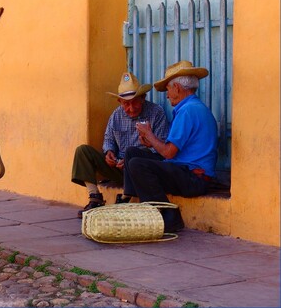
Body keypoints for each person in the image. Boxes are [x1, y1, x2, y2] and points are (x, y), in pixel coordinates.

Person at [124, 60, 218, 232]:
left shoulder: (188, 111)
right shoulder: (191, 108)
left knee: (137, 164)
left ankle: (170, 216)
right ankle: (132, 200)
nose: (167, 95)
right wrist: (149, 140)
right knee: (132, 153)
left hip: (194, 178)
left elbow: (168, 153)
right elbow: (172, 152)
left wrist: (150, 135)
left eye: (167, 89)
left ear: (177, 88)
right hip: (184, 170)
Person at [71, 72, 169, 218]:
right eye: (126, 103)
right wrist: (109, 152)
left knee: (132, 153)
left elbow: (162, 149)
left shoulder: (156, 113)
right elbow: (108, 139)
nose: (131, 108)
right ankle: (94, 197)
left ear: (143, 98)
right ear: (119, 102)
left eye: (135, 102)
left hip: (143, 169)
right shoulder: (116, 115)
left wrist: (133, 158)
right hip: (120, 168)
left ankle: (125, 199)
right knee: (83, 151)